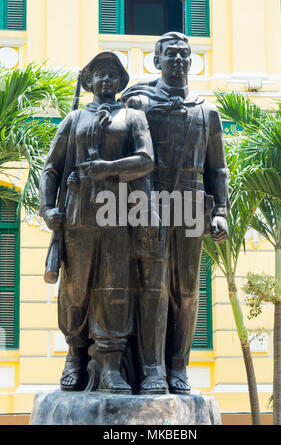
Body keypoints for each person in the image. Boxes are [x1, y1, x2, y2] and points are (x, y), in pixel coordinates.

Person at [39, 51, 154, 394]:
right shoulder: (73, 120)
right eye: (99, 74)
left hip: (118, 217)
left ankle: (111, 366)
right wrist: (47, 210)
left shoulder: (133, 117)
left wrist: (107, 169)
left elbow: (147, 159)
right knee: (74, 293)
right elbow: (51, 168)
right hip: (76, 219)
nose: (106, 80)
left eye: (112, 75)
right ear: (88, 81)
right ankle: (74, 355)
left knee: (114, 292)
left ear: (121, 82)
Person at [122, 32, 229, 395]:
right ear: (157, 62)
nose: (180, 60)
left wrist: (223, 212)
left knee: (185, 290)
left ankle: (178, 367)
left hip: (192, 204)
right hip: (147, 204)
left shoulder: (206, 110)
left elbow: (218, 170)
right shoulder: (139, 102)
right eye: (171, 55)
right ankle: (151, 369)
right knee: (151, 288)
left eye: (185, 54)